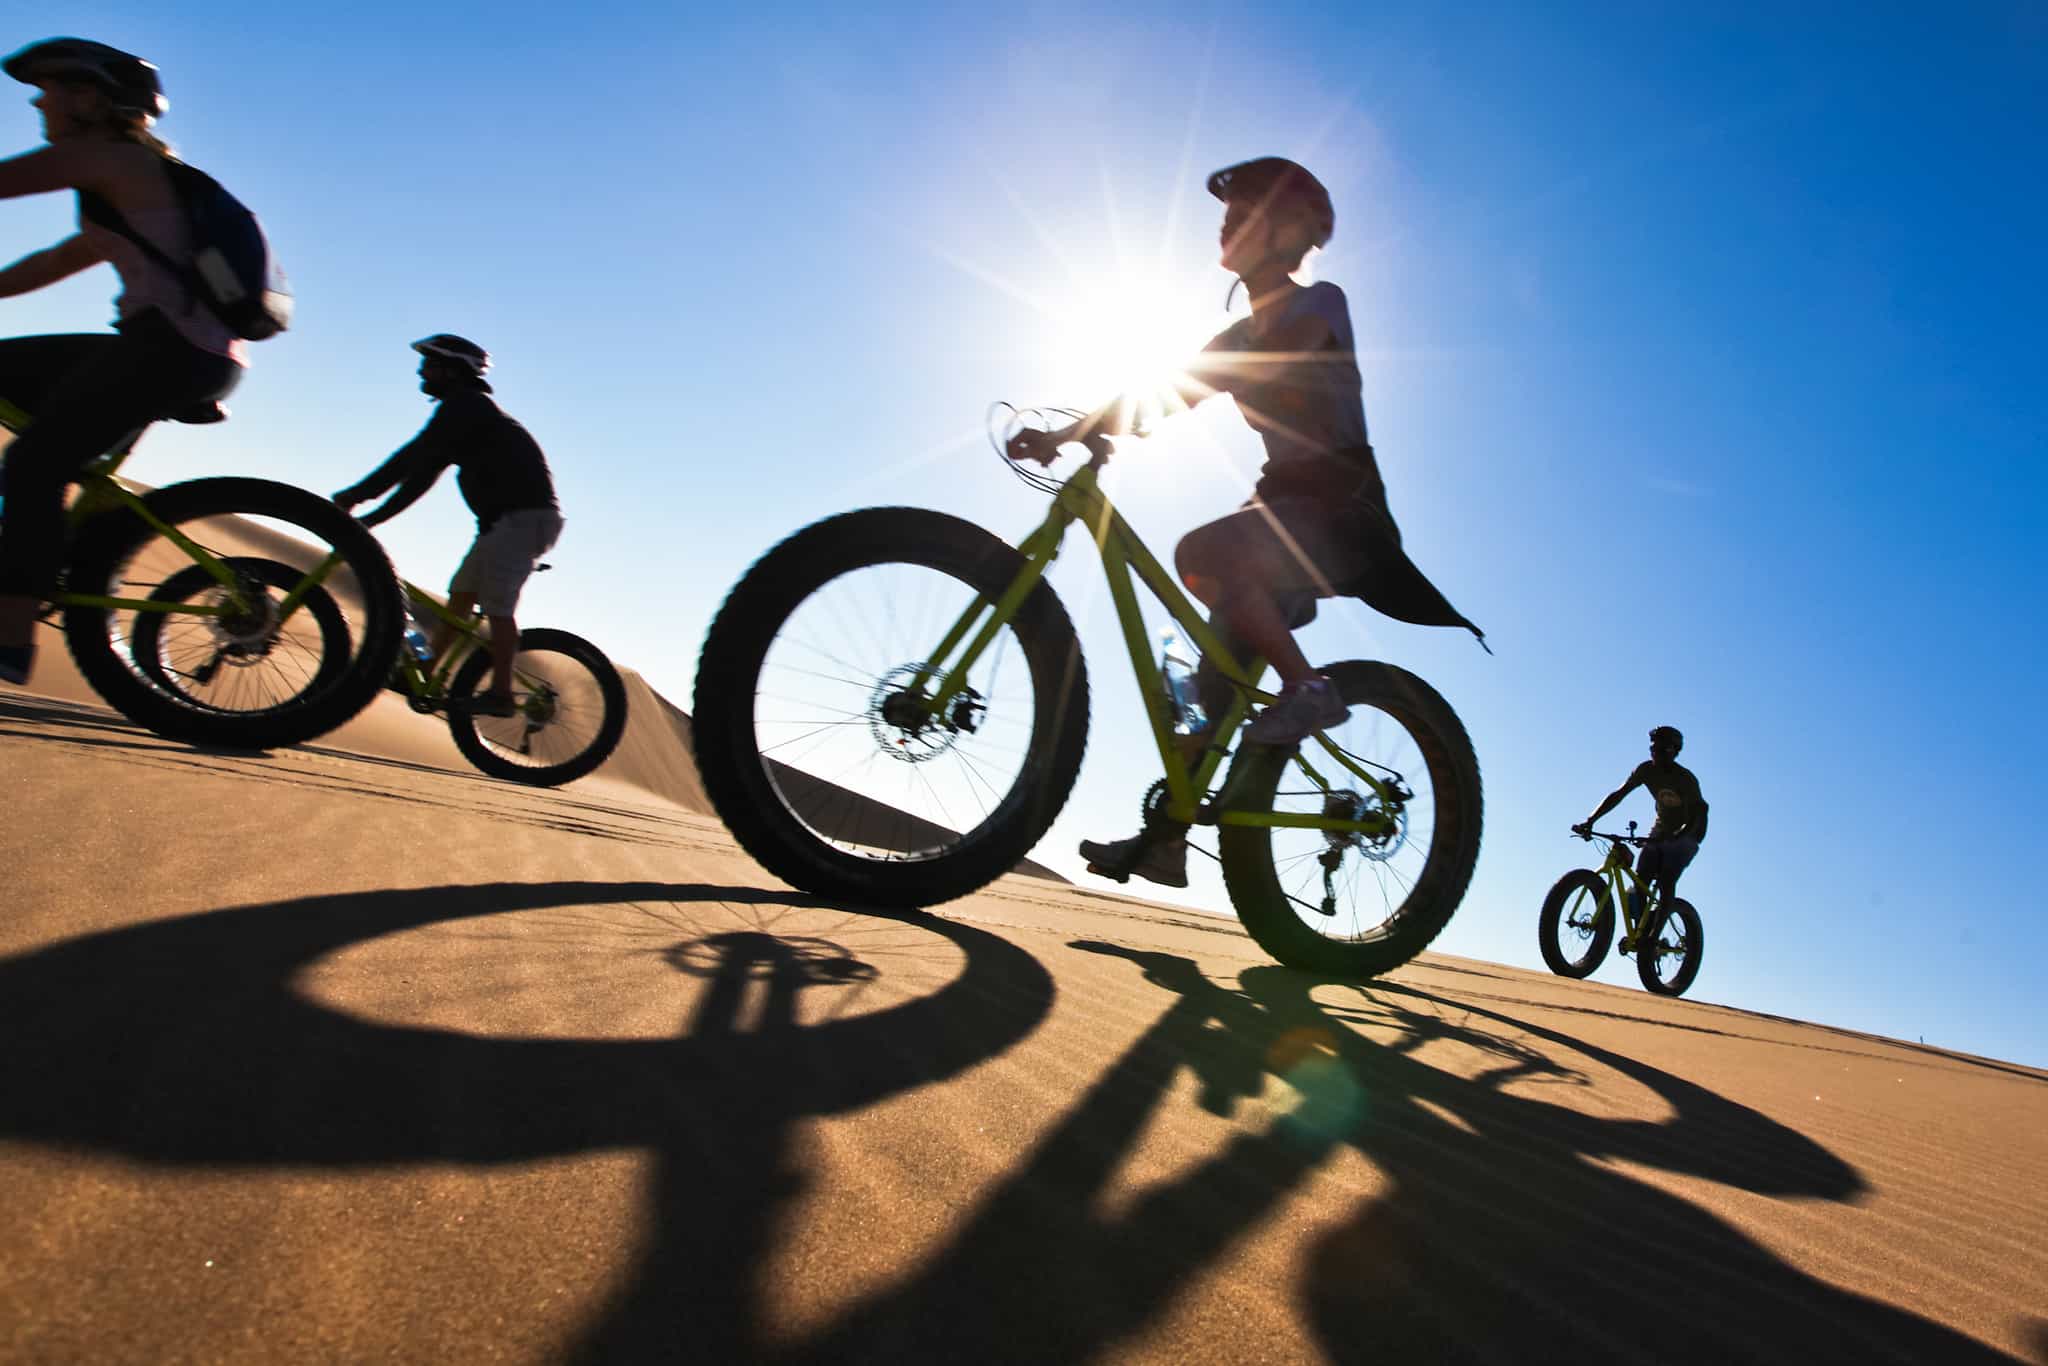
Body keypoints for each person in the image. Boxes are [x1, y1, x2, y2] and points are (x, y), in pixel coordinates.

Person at [1006, 156, 1483, 888]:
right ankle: (1169, 839)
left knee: (1204, 549)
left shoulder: (1321, 302)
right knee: (1205, 690)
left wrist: (1193, 377)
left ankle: (1311, 692)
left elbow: (1253, 359)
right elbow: (1156, 395)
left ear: (1291, 233)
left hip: (1340, 514)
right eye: (1226, 217)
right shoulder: (1235, 339)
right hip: (1280, 511)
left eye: (1246, 216)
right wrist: (1068, 433)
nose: (1228, 227)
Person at [0, 37, 245, 686]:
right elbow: (57, 261)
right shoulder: (128, 182)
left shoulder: (108, 161)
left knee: (33, 461)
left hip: (168, 353)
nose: (36, 101)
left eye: (48, 89)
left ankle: (11, 633)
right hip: (174, 352)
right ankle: (53, 537)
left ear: (89, 99)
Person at [332, 335, 561, 716]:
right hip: (501, 524)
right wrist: (371, 518)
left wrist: (358, 494)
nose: (422, 371)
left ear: (454, 370)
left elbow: (412, 456)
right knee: (460, 599)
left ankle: (502, 694)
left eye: (431, 363)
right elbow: (421, 477)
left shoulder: (468, 407)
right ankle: (424, 671)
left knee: (498, 607)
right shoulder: (462, 415)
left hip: (523, 520)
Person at [1573, 725, 1709, 916]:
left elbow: (1700, 812)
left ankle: (1654, 936)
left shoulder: (1685, 779)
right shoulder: (1646, 770)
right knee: (1641, 879)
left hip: (1691, 831)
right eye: (1652, 749)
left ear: (1673, 752)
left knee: (1666, 878)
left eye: (1660, 749)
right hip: (1662, 828)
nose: (1655, 754)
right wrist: (1590, 820)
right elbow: (1619, 794)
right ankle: (1641, 934)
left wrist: (1680, 835)